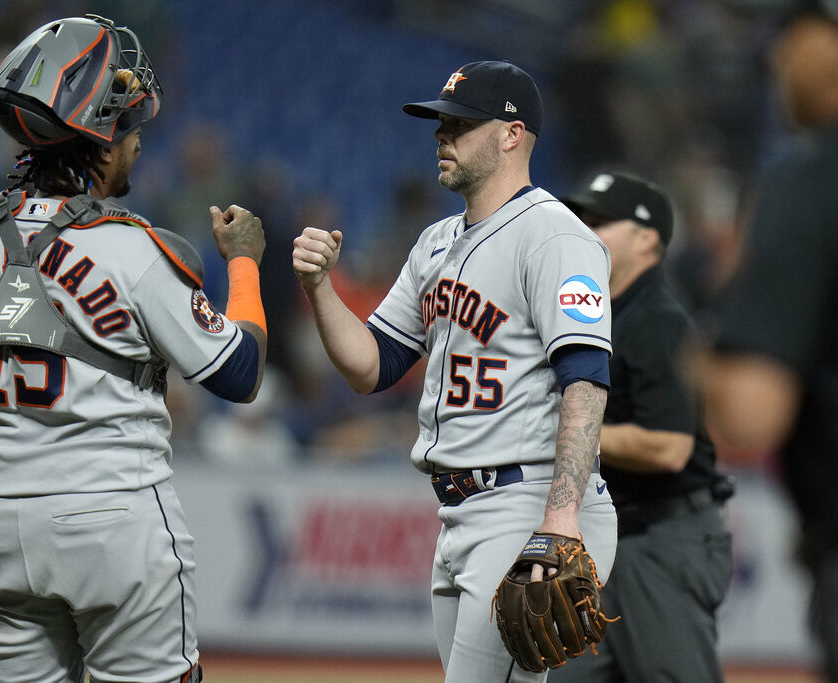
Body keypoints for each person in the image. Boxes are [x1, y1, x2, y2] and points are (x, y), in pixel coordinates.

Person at [0, 15, 267, 683]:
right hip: (114, 521)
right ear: (101, 141)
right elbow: (240, 373)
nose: (136, 146)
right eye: (130, 131)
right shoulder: (135, 250)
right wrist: (244, 264)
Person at [292, 60, 618, 682]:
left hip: (527, 502)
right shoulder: (436, 242)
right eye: (441, 124)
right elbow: (372, 366)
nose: (442, 136)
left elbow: (585, 378)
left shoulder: (555, 237)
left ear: (511, 135)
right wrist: (319, 288)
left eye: (461, 125)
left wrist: (561, 517)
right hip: (461, 510)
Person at [550, 170, 734, 683]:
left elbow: (670, 447)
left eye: (601, 221)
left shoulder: (657, 318)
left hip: (660, 537)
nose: (584, 229)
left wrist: (566, 435)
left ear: (647, 239)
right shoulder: (599, 316)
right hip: (607, 539)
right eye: (580, 218)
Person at [702, 9, 838, 682]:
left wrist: (684, 358)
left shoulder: (810, 180)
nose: (777, 71)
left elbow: (752, 410)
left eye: (784, 50)